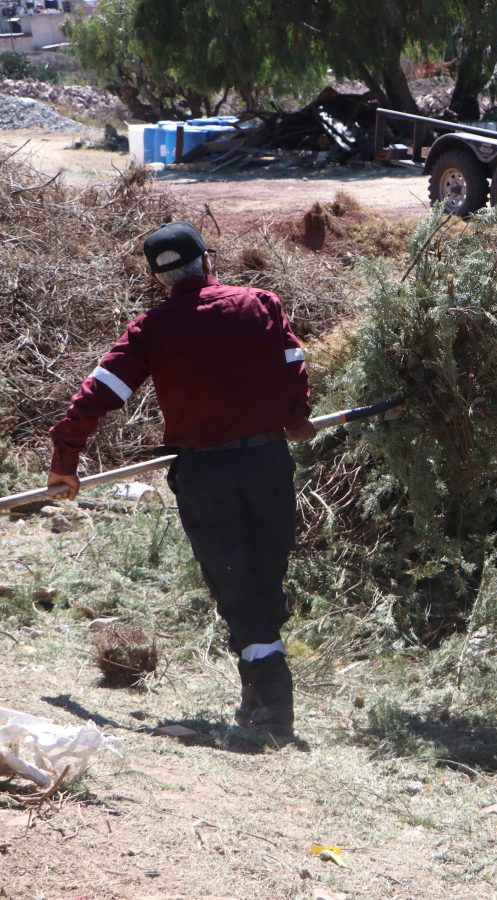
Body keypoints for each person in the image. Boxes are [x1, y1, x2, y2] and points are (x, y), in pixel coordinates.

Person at [47, 222, 315, 741]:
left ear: (159, 276)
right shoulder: (259, 303)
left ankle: (272, 708)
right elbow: (293, 359)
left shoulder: (153, 329)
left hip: (205, 473)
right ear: (205, 262)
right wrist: (297, 413)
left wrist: (66, 460)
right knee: (263, 576)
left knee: (238, 584)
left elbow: (100, 391)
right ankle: (262, 699)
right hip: (268, 464)